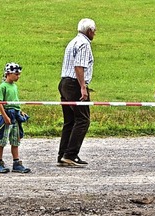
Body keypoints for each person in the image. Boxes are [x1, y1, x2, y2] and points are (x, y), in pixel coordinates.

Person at [58, 18, 96, 167]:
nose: (95, 33)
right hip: (75, 84)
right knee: (83, 120)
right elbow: (79, 66)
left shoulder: (73, 41)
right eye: (94, 31)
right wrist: (83, 87)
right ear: (89, 31)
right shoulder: (84, 44)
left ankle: (62, 154)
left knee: (70, 120)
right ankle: (70, 155)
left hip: (64, 83)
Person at [0, 62, 30, 173]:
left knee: (15, 140)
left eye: (19, 74)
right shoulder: (3, 86)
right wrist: (4, 116)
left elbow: (15, 101)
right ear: (8, 74)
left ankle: (16, 163)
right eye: (16, 74)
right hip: (7, 114)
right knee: (2, 140)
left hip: (15, 114)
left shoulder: (14, 86)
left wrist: (20, 111)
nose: (18, 76)